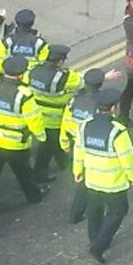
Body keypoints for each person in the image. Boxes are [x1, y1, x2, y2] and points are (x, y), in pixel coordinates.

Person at [0, 56, 50, 219]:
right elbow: (34, 119)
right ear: (21, 74)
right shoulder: (24, 95)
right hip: (16, 143)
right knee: (24, 173)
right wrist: (41, 136)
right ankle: (34, 196)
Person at [73, 88, 133, 264]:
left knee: (95, 209)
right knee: (118, 211)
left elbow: (78, 150)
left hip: (92, 178)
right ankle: (99, 246)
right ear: (114, 108)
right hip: (113, 182)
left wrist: (77, 170)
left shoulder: (84, 125)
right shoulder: (118, 131)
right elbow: (127, 158)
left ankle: (95, 238)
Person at [26, 45, 85, 183]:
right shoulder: (65, 77)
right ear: (60, 61)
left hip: (38, 115)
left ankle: (62, 161)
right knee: (47, 148)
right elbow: (82, 82)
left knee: (53, 142)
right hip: (56, 118)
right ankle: (39, 174)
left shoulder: (32, 71)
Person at [60, 68, 110, 224]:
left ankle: (78, 212)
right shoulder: (101, 104)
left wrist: (65, 144)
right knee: (87, 181)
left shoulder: (74, 100)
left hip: (76, 144)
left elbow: (65, 122)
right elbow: (106, 127)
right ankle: (79, 213)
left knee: (82, 176)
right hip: (92, 145)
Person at [0, 9, 49, 87]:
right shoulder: (40, 43)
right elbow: (44, 65)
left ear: (16, 23)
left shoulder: (6, 42)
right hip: (31, 81)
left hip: (11, 78)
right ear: (32, 23)